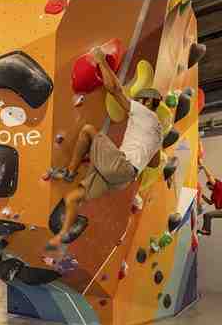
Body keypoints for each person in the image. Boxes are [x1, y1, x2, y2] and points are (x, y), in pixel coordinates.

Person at [47, 47, 163, 255]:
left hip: (120, 167)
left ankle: (70, 171)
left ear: (146, 102)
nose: (135, 103)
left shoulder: (144, 112)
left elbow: (114, 89)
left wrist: (101, 60)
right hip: (124, 179)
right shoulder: (158, 132)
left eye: (139, 100)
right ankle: (63, 233)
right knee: (75, 196)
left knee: (88, 130)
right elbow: (154, 163)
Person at [198, 158, 222, 235]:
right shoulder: (213, 195)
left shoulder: (219, 187)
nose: (209, 189)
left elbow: (209, 176)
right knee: (207, 215)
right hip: (220, 210)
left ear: (212, 185)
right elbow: (210, 202)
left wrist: (203, 166)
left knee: (207, 215)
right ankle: (205, 231)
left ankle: (207, 231)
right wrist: (201, 195)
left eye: (209, 187)